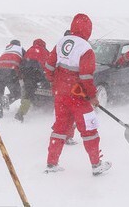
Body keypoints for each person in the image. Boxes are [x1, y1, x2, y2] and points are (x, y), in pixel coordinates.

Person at [43, 13, 111, 176]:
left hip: (61, 95)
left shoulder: (60, 42)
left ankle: (51, 163)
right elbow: (86, 77)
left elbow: (48, 67)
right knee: (89, 129)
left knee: (60, 128)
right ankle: (96, 165)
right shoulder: (86, 48)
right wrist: (92, 96)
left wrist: (56, 83)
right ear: (88, 29)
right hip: (78, 97)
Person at [15, 38, 49, 122]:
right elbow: (48, 65)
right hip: (38, 72)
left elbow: (22, 63)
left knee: (28, 92)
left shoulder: (29, 50)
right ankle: (46, 106)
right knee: (46, 87)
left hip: (26, 72)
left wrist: (21, 76)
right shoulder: (45, 51)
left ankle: (22, 110)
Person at [0, 39, 24, 118]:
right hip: (11, 72)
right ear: (19, 45)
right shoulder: (20, 49)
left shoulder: (6, 50)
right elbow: (25, 63)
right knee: (18, 93)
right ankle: (8, 98)